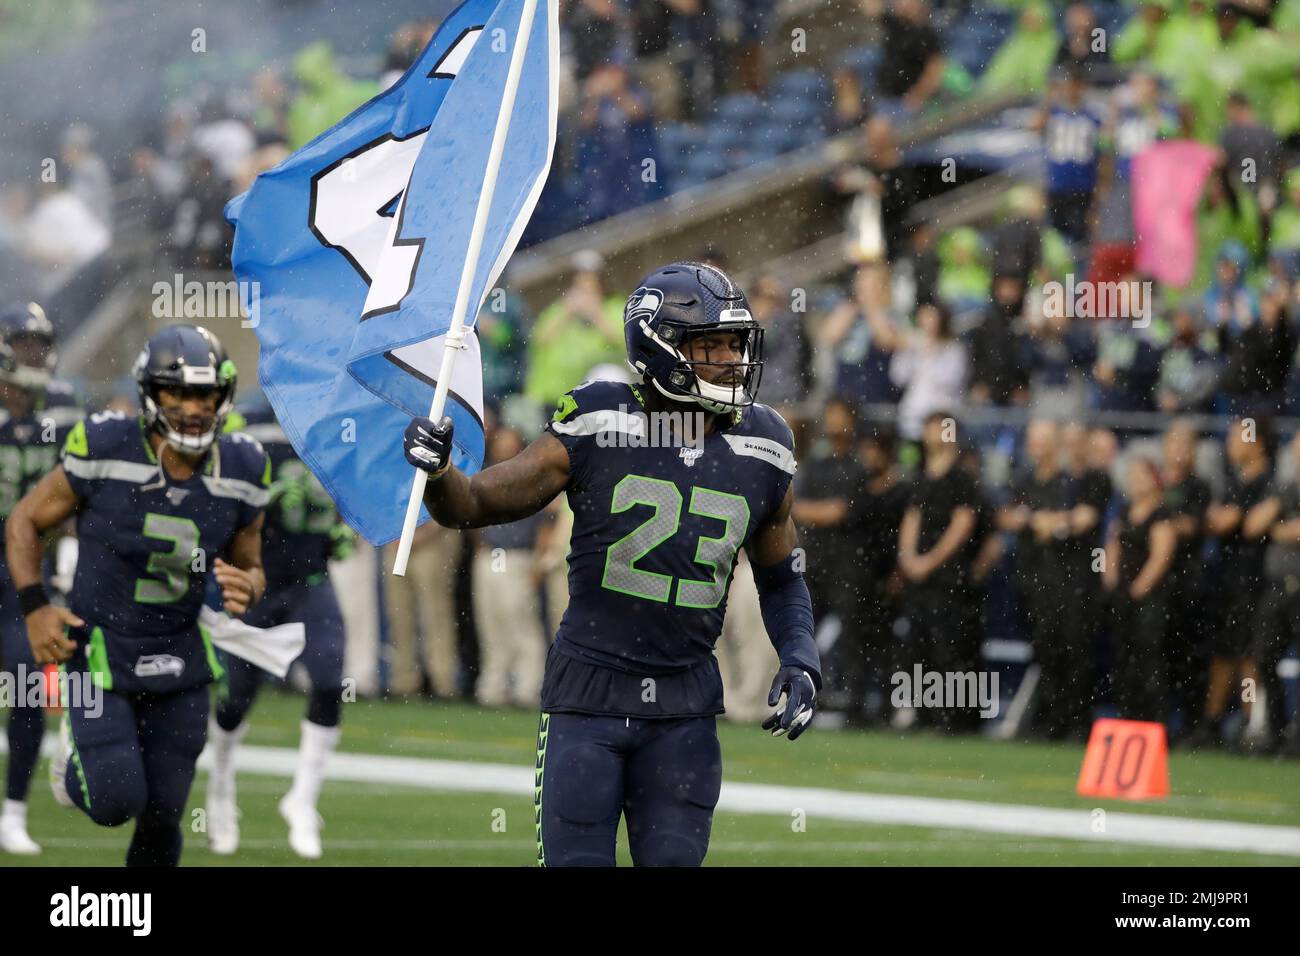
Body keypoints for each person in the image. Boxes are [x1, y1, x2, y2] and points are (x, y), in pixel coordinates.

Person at [404, 261, 820, 866]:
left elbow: (783, 580)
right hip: (588, 698)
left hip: (685, 707)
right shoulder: (600, 420)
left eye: (736, 344)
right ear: (660, 350)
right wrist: (440, 473)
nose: (732, 361)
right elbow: (474, 503)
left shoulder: (765, 445)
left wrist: (801, 655)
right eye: (711, 345)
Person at [4, 324, 268, 867]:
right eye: (178, 393)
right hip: (100, 647)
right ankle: (74, 755)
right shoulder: (105, 445)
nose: (193, 408)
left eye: (205, 395)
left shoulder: (242, 466)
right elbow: (27, 519)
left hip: (182, 654)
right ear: (151, 393)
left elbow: (250, 561)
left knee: (164, 812)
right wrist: (35, 608)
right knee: (115, 799)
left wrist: (251, 584)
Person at [205, 406, 354, 859]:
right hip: (258, 582)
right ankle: (220, 782)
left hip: (310, 580)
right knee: (237, 697)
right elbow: (218, 493)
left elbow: (347, 492)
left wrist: (340, 527)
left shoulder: (334, 424)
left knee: (330, 680)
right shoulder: (249, 421)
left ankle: (302, 800)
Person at [0, 303, 80, 855]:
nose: (36, 354)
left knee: (29, 681)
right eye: (25, 343)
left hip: (25, 566)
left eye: (40, 343)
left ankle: (13, 810)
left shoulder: (65, 408)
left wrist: (72, 547)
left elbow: (80, 489)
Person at [1186, 418, 1274, 748]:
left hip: (1257, 579)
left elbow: (1238, 524)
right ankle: (1213, 721)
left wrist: (1222, 519)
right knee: (1222, 652)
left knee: (1250, 654)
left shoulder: (1268, 481)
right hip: (1228, 578)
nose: (1231, 443)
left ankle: (1254, 726)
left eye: (1239, 437)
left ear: (1257, 442)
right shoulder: (1235, 481)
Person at [897, 411, 979, 733]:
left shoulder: (961, 477)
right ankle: (921, 711)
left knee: (949, 645)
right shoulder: (921, 476)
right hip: (921, 575)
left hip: (948, 576)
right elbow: (912, 518)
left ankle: (952, 715)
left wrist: (929, 561)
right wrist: (908, 558)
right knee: (919, 642)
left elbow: (962, 524)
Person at [1103, 457, 1177, 723]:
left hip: (1149, 599)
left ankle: (1154, 720)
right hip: (1124, 595)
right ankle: (1128, 715)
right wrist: (1112, 582)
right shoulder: (1123, 512)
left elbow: (1161, 557)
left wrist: (1137, 590)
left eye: (1140, 476)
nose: (1134, 481)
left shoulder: (1161, 514)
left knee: (1149, 658)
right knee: (1124, 659)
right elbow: (1112, 546)